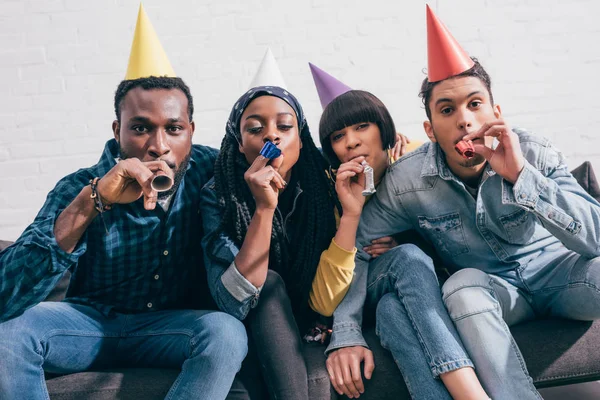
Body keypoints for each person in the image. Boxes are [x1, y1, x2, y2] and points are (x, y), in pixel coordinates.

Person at [327, 5, 600, 400]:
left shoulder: (533, 152)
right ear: (430, 129)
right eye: (447, 110)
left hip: (563, 276)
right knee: (461, 287)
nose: (465, 120)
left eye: (475, 104)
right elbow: (359, 249)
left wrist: (522, 177)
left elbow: (594, 240)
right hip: (497, 294)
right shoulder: (407, 182)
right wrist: (348, 331)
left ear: (496, 112)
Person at [0, 6, 246, 399]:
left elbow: (288, 165)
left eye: (174, 129)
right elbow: (4, 296)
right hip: (87, 324)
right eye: (140, 128)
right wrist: (92, 202)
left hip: (171, 328)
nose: (158, 145)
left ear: (191, 132)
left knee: (226, 332)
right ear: (118, 132)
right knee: (8, 334)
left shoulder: (212, 171)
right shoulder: (80, 186)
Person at [199, 50, 407, 400]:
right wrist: (264, 209)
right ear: (239, 143)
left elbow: (327, 298)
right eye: (255, 128)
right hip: (251, 321)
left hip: (313, 315)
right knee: (268, 282)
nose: (272, 136)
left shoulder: (325, 183)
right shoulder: (219, 194)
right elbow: (233, 300)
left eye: (284, 126)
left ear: (301, 136)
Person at [310, 63, 489, 400]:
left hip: (412, 295)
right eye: (337, 136)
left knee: (393, 309)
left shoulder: (419, 165)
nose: (351, 142)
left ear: (383, 129)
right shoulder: (326, 195)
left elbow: (459, 243)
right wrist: (350, 214)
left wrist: (403, 238)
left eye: (362, 126)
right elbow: (322, 300)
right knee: (405, 258)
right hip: (356, 297)